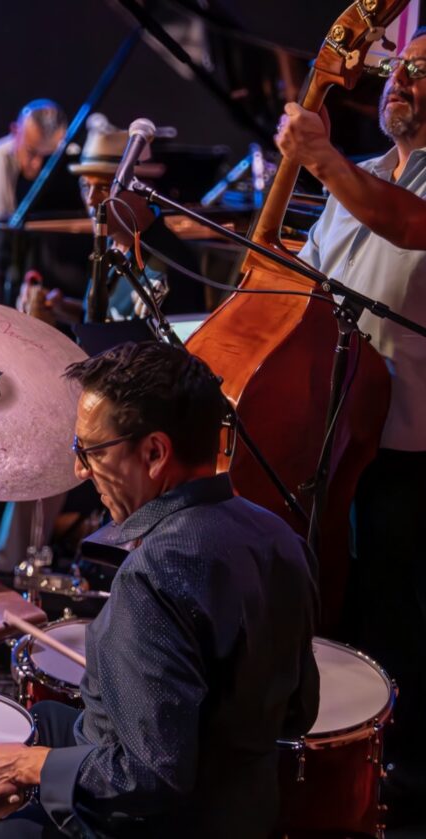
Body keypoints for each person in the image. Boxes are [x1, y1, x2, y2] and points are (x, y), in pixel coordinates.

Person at [0, 342, 319, 838]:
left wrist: (32, 767)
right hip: (246, 809)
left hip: (161, 825)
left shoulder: (152, 576)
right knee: (44, 716)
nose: (80, 470)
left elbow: (149, 777)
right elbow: (300, 712)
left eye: (90, 451)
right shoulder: (281, 538)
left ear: (154, 453)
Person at [275, 27, 426, 815]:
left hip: (408, 442)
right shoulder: (360, 175)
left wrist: (321, 157)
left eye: (421, 72)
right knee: (341, 604)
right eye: (399, 67)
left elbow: (407, 225)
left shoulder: (364, 182)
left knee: (400, 615)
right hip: (331, 433)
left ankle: (405, 776)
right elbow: (301, 280)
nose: (401, 79)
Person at [18, 117, 206, 325]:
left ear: (143, 189)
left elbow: (164, 343)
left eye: (104, 188)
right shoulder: (110, 244)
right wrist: (60, 308)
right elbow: (106, 323)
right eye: (85, 187)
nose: (91, 200)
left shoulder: (170, 267)